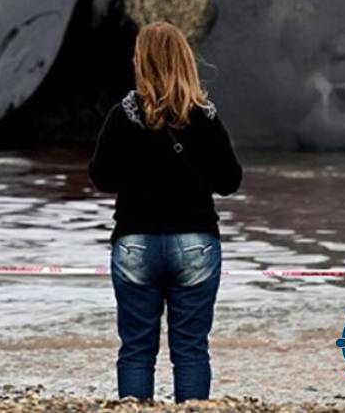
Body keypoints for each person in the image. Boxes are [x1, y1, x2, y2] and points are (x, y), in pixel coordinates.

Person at [89, 21, 243, 402]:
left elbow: (101, 177)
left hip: (135, 241)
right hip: (195, 242)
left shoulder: (121, 115)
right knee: (191, 350)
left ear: (140, 61)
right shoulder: (204, 116)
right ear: (185, 61)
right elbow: (229, 181)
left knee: (136, 350)